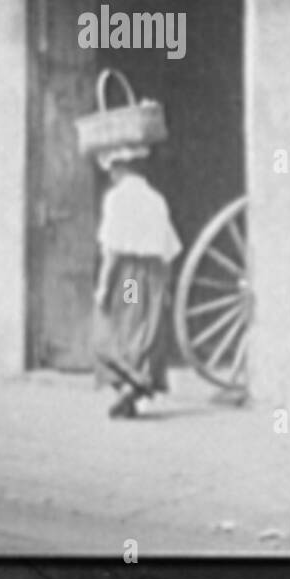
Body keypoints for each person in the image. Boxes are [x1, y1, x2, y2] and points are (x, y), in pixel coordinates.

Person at [93, 145, 182, 419]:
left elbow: (113, 248)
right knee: (148, 327)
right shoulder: (155, 199)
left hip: (130, 276)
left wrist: (104, 285)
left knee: (127, 323)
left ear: (119, 169)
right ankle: (136, 385)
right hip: (154, 276)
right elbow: (169, 247)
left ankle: (130, 384)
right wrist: (166, 284)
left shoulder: (117, 199)